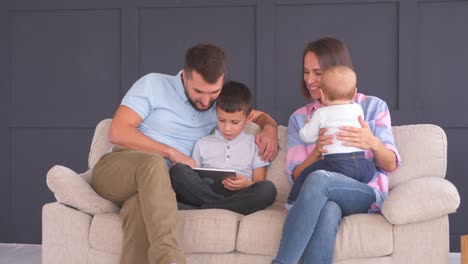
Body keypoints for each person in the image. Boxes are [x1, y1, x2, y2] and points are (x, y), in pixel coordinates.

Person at [90, 43, 278, 264]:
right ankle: (169, 258)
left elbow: (257, 115)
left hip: (159, 189)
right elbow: (118, 131)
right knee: (153, 163)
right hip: (119, 168)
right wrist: (170, 152)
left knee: (141, 211)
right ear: (185, 75)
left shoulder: (219, 107)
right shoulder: (153, 84)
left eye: (213, 92)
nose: (207, 101)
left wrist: (270, 129)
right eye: (198, 91)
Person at [272, 37, 401, 264]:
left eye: (317, 73)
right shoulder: (300, 118)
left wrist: (372, 142)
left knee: (320, 178)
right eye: (305, 72)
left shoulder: (372, 107)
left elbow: (390, 164)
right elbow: (296, 175)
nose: (310, 80)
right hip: (321, 197)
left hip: (362, 193)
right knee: (328, 209)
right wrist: (316, 153)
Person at [169, 80, 277, 215]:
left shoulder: (255, 144)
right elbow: (194, 176)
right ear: (216, 114)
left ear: (249, 118)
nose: (227, 128)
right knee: (178, 170)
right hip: (205, 191)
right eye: (221, 120)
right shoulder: (202, 143)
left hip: (239, 195)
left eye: (234, 122)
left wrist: (246, 184)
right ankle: (218, 206)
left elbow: (259, 181)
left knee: (268, 189)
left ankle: (202, 209)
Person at [285, 65, 376, 210]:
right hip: (361, 163)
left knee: (307, 175)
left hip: (336, 164)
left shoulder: (321, 113)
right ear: (355, 93)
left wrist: (307, 126)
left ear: (323, 94)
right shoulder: (358, 109)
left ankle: (291, 204)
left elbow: (307, 136)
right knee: (372, 169)